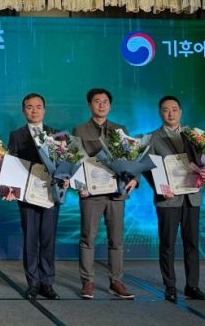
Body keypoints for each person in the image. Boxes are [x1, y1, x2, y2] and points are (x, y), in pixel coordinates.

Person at [73, 88, 137, 300]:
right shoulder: (80, 130)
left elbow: (132, 158)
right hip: (91, 194)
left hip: (116, 193)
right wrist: (79, 185)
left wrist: (135, 178)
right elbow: (73, 161)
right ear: (89, 105)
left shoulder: (120, 130)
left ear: (110, 105)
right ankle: (87, 281)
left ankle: (116, 281)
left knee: (116, 240)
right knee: (88, 238)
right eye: (97, 101)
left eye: (105, 101)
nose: (101, 105)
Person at [146, 96, 205, 302]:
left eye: (174, 109)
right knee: (167, 244)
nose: (170, 113)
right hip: (168, 199)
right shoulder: (152, 138)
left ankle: (192, 286)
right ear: (160, 113)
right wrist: (161, 188)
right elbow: (148, 169)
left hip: (192, 197)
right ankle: (170, 286)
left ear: (181, 112)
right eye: (166, 110)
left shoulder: (195, 136)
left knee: (192, 243)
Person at [6, 93, 62, 300]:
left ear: (44, 110)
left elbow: (64, 163)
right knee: (30, 240)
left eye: (38, 106)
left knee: (48, 240)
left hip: (50, 194)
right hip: (27, 196)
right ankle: (33, 283)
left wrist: (65, 177)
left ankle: (47, 283)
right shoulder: (16, 135)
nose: (34, 110)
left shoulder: (56, 134)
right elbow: (12, 163)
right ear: (23, 111)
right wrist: (10, 189)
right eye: (29, 107)